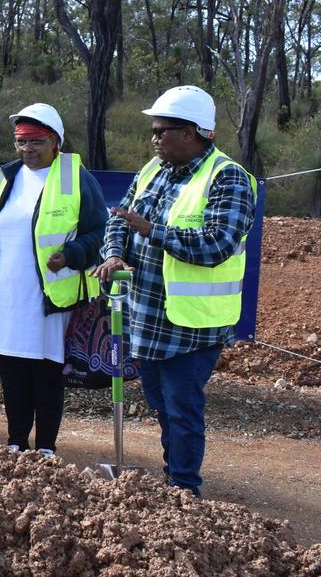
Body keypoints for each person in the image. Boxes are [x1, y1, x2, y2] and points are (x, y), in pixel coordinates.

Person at [92, 85, 257, 497]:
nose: (155, 138)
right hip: (146, 317)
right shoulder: (153, 170)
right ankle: (173, 476)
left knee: (182, 408)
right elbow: (118, 219)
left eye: (163, 131)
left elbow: (218, 243)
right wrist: (114, 254)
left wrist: (152, 230)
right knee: (161, 404)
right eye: (155, 131)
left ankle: (185, 489)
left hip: (192, 323)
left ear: (194, 133)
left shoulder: (228, 178)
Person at [0, 103, 107, 455]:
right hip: (7, 294)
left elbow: (99, 230)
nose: (27, 149)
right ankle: (15, 440)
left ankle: (45, 446)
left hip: (49, 298)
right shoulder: (3, 179)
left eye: (36, 142)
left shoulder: (75, 178)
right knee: (11, 369)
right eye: (21, 142)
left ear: (55, 141)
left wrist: (72, 255)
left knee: (46, 370)